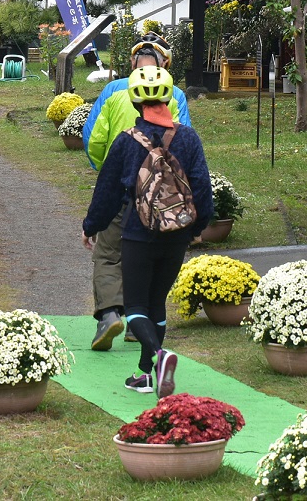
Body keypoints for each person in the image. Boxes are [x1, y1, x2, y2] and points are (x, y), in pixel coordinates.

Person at [81, 66, 211, 399]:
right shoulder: (189, 138)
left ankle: (158, 357)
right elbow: (201, 186)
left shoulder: (127, 141)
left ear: (136, 103)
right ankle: (147, 375)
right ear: (168, 98)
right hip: (177, 233)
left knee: (136, 304)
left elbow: (108, 190)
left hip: (139, 232)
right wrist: (198, 227)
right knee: (157, 303)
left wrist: (91, 226)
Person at [82, 33, 192, 351]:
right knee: (149, 264)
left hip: (123, 191)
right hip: (163, 201)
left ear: (132, 64)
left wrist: (105, 169)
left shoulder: (112, 92)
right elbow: (186, 148)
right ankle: (139, 326)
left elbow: (94, 138)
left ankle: (109, 313)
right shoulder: (177, 96)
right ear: (165, 65)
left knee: (107, 255)